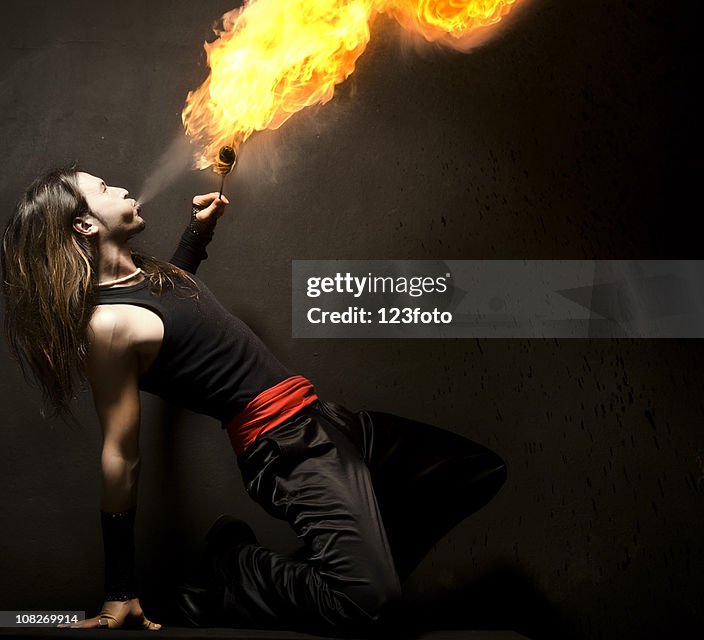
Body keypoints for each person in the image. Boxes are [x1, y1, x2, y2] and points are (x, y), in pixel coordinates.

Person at [1, 164, 507, 635]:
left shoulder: (145, 278)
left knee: (472, 472)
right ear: (86, 226)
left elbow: (174, 307)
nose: (122, 188)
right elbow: (119, 455)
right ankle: (232, 569)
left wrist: (199, 231)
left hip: (324, 419)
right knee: (367, 606)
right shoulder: (109, 326)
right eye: (104, 189)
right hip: (285, 449)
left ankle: (363, 561)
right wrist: (119, 590)